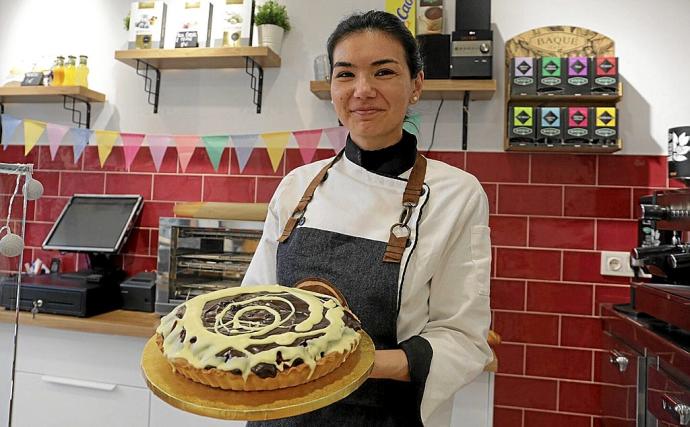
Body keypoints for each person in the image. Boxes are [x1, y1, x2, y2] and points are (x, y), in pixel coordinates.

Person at [242, 10, 492, 427]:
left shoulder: (457, 194)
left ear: (416, 85)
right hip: (278, 410)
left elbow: (462, 341)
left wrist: (350, 363)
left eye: (383, 72)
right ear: (332, 87)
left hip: (383, 414)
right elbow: (257, 303)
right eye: (346, 74)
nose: (362, 90)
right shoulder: (297, 186)